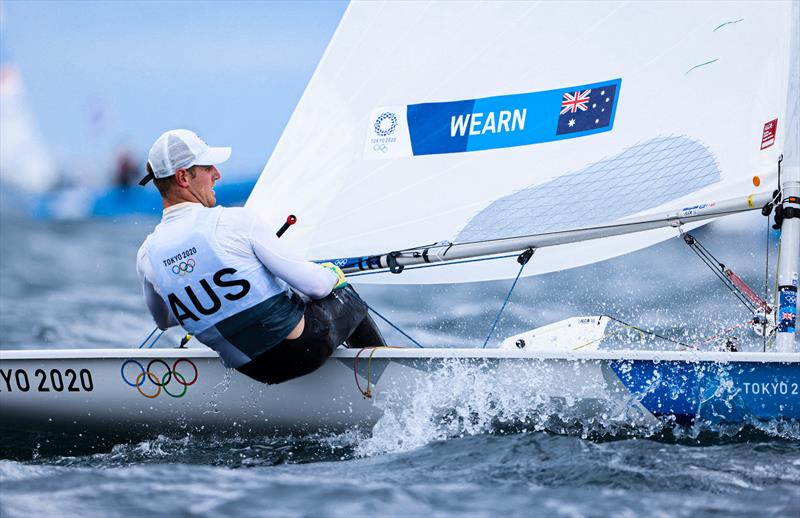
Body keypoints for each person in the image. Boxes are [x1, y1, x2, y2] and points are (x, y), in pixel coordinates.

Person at [136, 129, 386, 384]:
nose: (217, 174)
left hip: (253, 370)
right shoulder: (233, 221)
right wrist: (333, 274)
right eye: (208, 167)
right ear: (183, 177)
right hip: (304, 352)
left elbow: (165, 320)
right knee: (342, 293)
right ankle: (386, 380)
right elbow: (317, 286)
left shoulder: (147, 254)